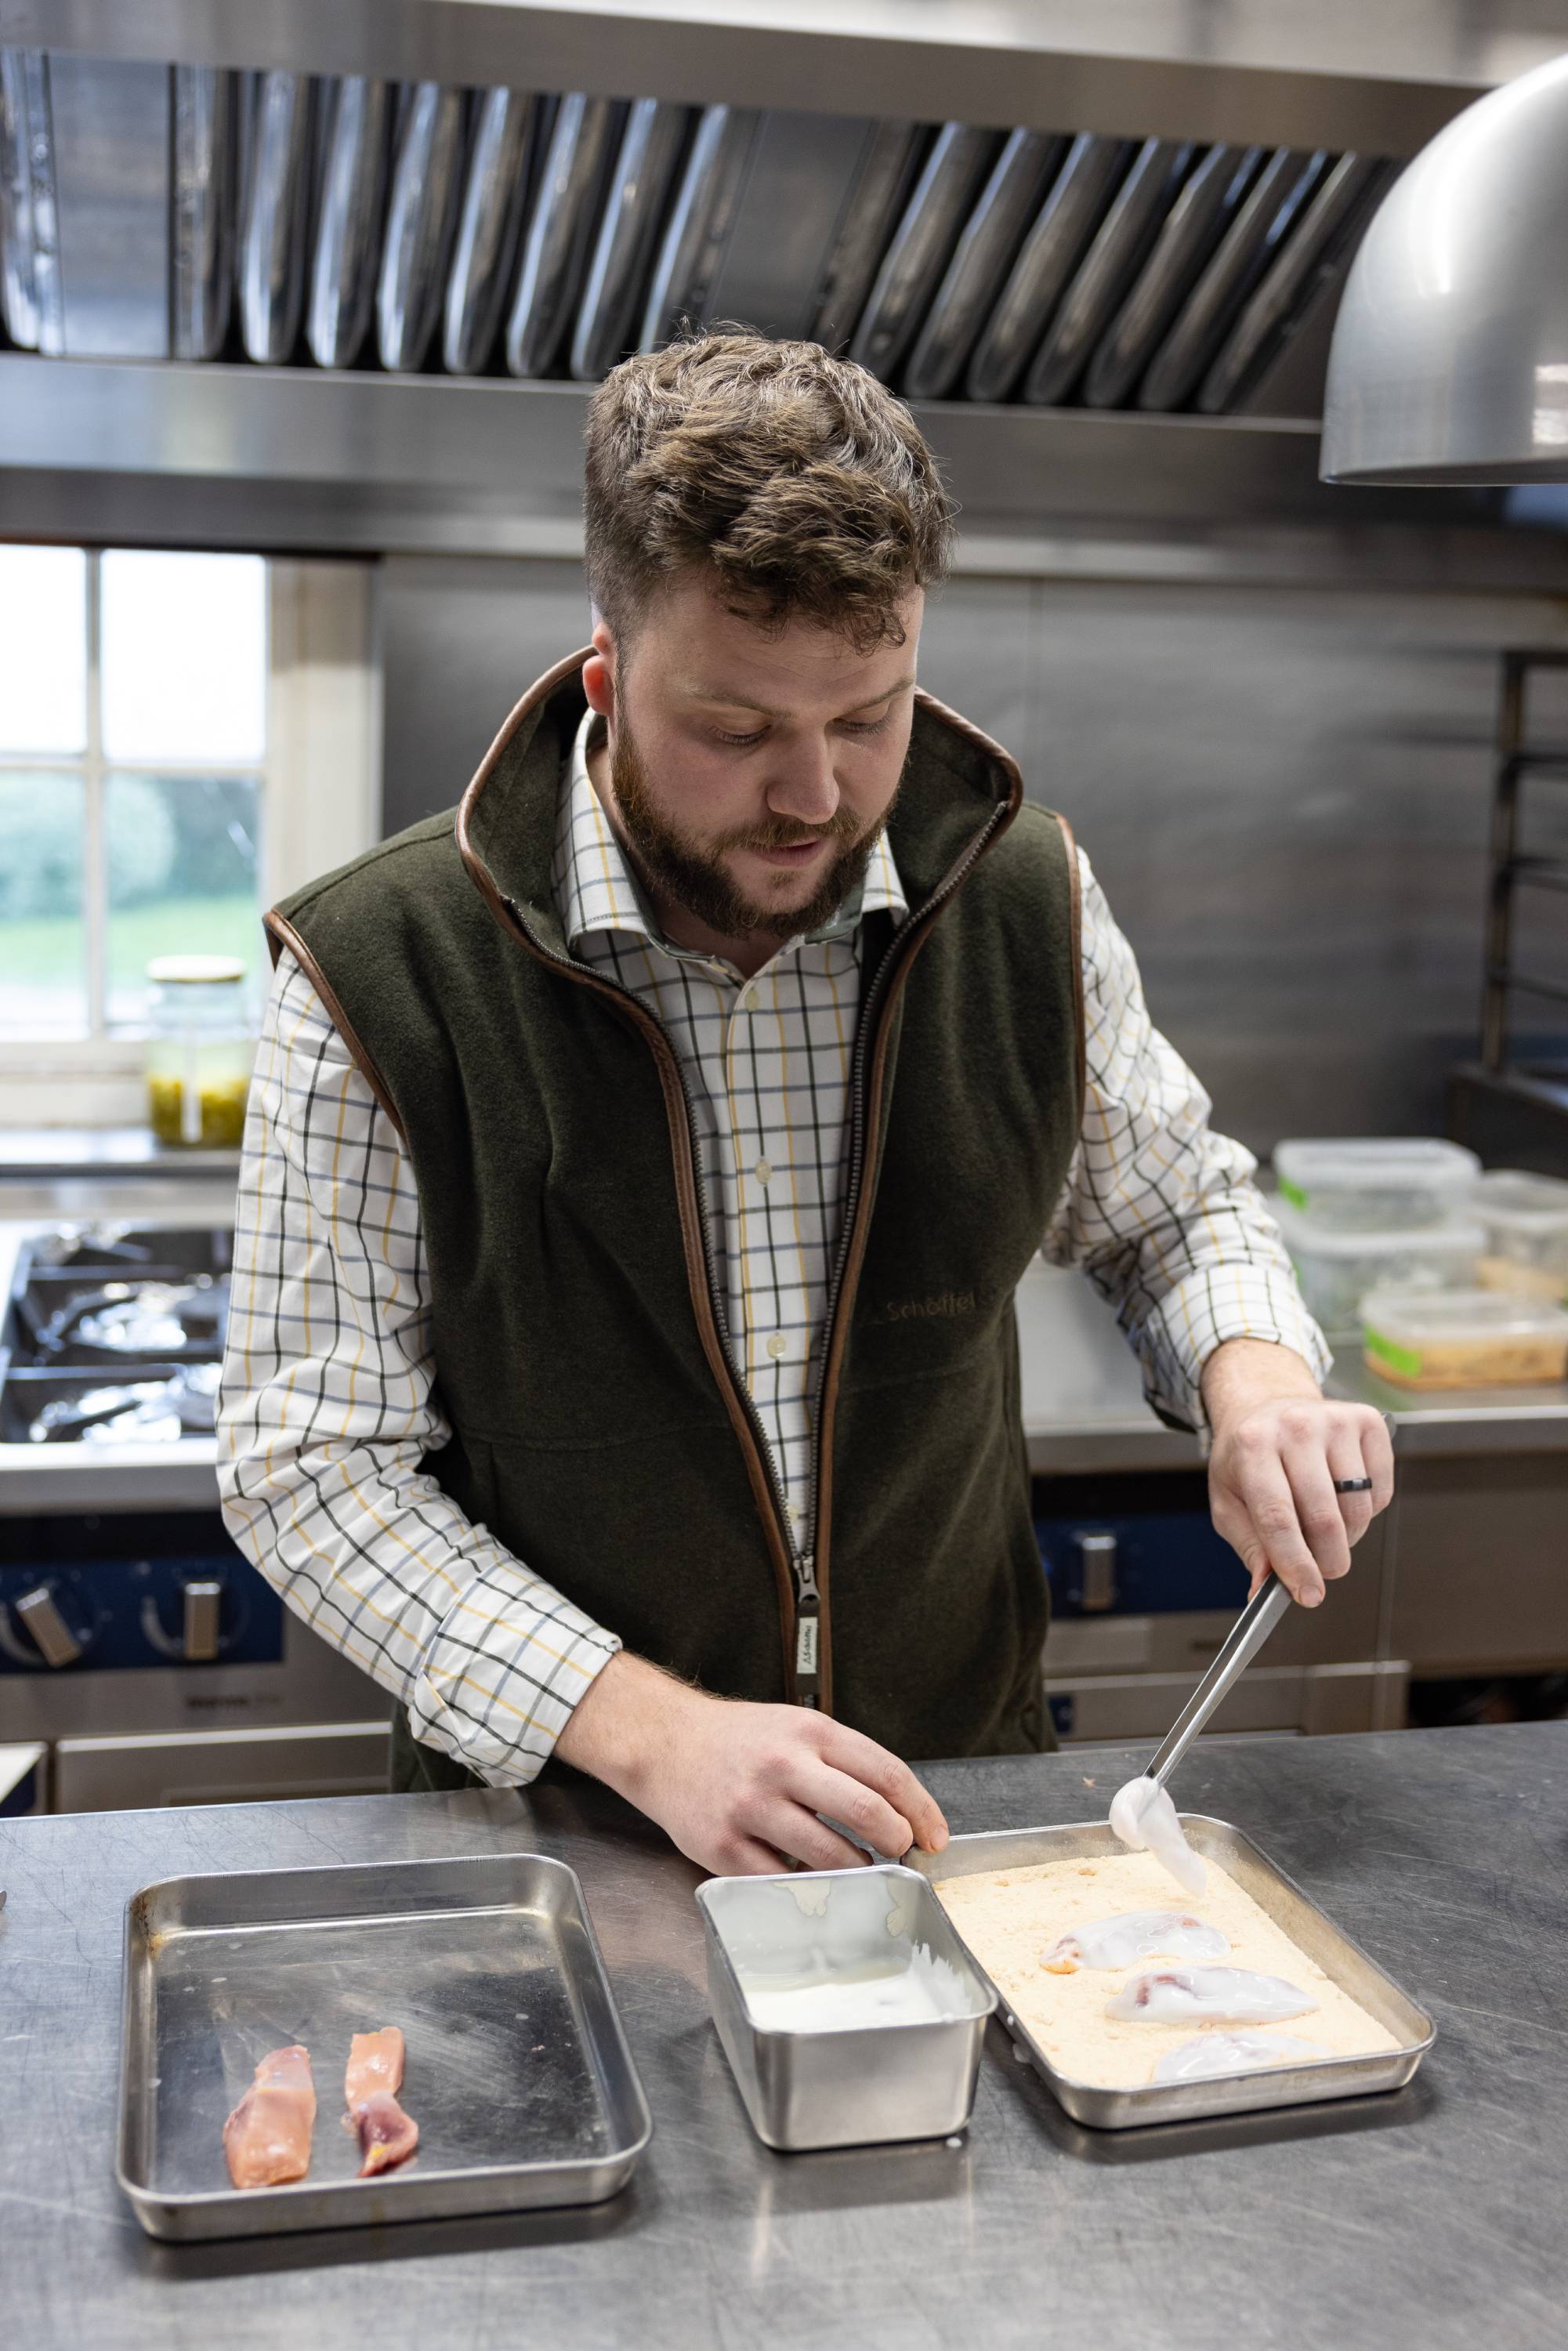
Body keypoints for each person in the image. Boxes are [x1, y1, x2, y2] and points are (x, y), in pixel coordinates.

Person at [217, 332, 1392, 1876]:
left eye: (867, 717)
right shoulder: (381, 969)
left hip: (950, 1803)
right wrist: (655, 1734)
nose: (814, 797)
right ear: (606, 678)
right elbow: (308, 1468)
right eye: (736, 730)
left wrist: (1257, 1385)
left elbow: (1171, 1208)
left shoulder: (1017, 895)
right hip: (572, 1833)